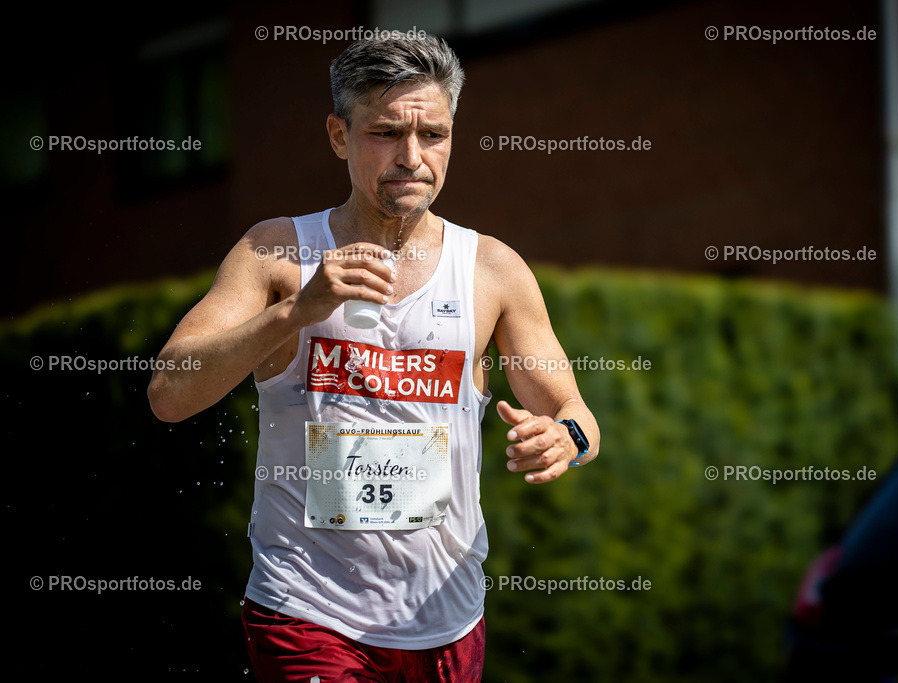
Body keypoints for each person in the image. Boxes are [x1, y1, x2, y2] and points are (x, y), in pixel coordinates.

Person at [148, 33, 600, 683]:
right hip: (306, 606)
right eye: (386, 132)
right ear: (339, 135)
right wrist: (294, 312)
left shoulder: (492, 269)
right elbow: (169, 392)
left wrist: (565, 438)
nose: (412, 157)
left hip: (446, 616)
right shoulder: (277, 251)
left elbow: (577, 413)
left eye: (434, 135)